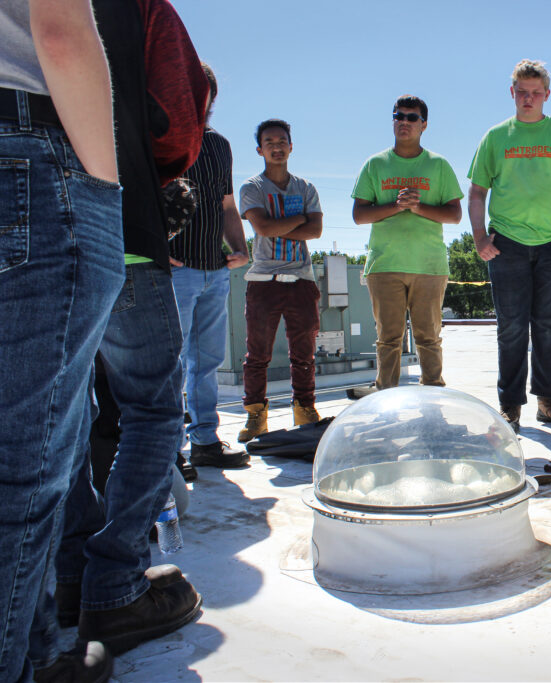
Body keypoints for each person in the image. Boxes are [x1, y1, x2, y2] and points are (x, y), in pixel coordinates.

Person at [35, 0, 209, 665]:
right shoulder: (143, 7)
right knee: (153, 406)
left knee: (62, 416)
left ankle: (75, 573)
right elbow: (177, 119)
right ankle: (115, 581)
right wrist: (151, 170)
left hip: (34, 230)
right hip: (122, 223)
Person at [0, 1, 123, 678]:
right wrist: (102, 191)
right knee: (23, 475)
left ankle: (40, 647)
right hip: (25, 148)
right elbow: (58, 30)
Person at [468, 59, 551, 433]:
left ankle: (549, 402)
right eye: (522, 93)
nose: (528, 99)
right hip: (506, 243)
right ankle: (510, 405)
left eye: (535, 93)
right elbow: (477, 192)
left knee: (546, 326)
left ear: (547, 95)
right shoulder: (496, 137)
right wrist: (479, 237)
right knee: (510, 327)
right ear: (512, 93)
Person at [352, 95, 463, 390]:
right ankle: (385, 399)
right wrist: (396, 206)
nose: (404, 122)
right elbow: (359, 215)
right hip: (384, 264)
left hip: (429, 266)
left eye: (412, 117)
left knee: (429, 337)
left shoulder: (438, 165)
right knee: (388, 338)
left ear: (424, 125)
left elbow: (455, 215)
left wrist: (417, 208)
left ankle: (434, 398)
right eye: (398, 116)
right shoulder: (375, 164)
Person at [171, 63, 250, 468]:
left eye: (201, 89)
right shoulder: (160, 133)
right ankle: (169, 453)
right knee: (169, 363)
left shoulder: (219, 145)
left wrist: (240, 247)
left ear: (210, 96)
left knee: (207, 363)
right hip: (173, 269)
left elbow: (227, 206)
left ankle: (204, 442)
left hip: (215, 270)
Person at [238, 119, 324, 441]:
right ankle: (256, 415)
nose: (276, 146)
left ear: (291, 146)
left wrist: (282, 224)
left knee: (303, 352)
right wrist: (298, 218)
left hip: (301, 278)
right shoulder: (253, 187)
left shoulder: (306, 188)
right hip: (263, 280)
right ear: (260, 149)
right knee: (257, 354)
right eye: (269, 141)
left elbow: (315, 231)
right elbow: (262, 227)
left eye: (282, 140)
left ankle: (305, 408)